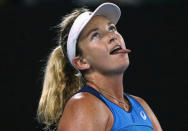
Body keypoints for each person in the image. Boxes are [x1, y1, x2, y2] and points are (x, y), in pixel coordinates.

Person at [37, 2, 162, 131]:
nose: (112, 36)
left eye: (112, 28)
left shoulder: (141, 105)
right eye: (95, 35)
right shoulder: (83, 105)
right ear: (81, 62)